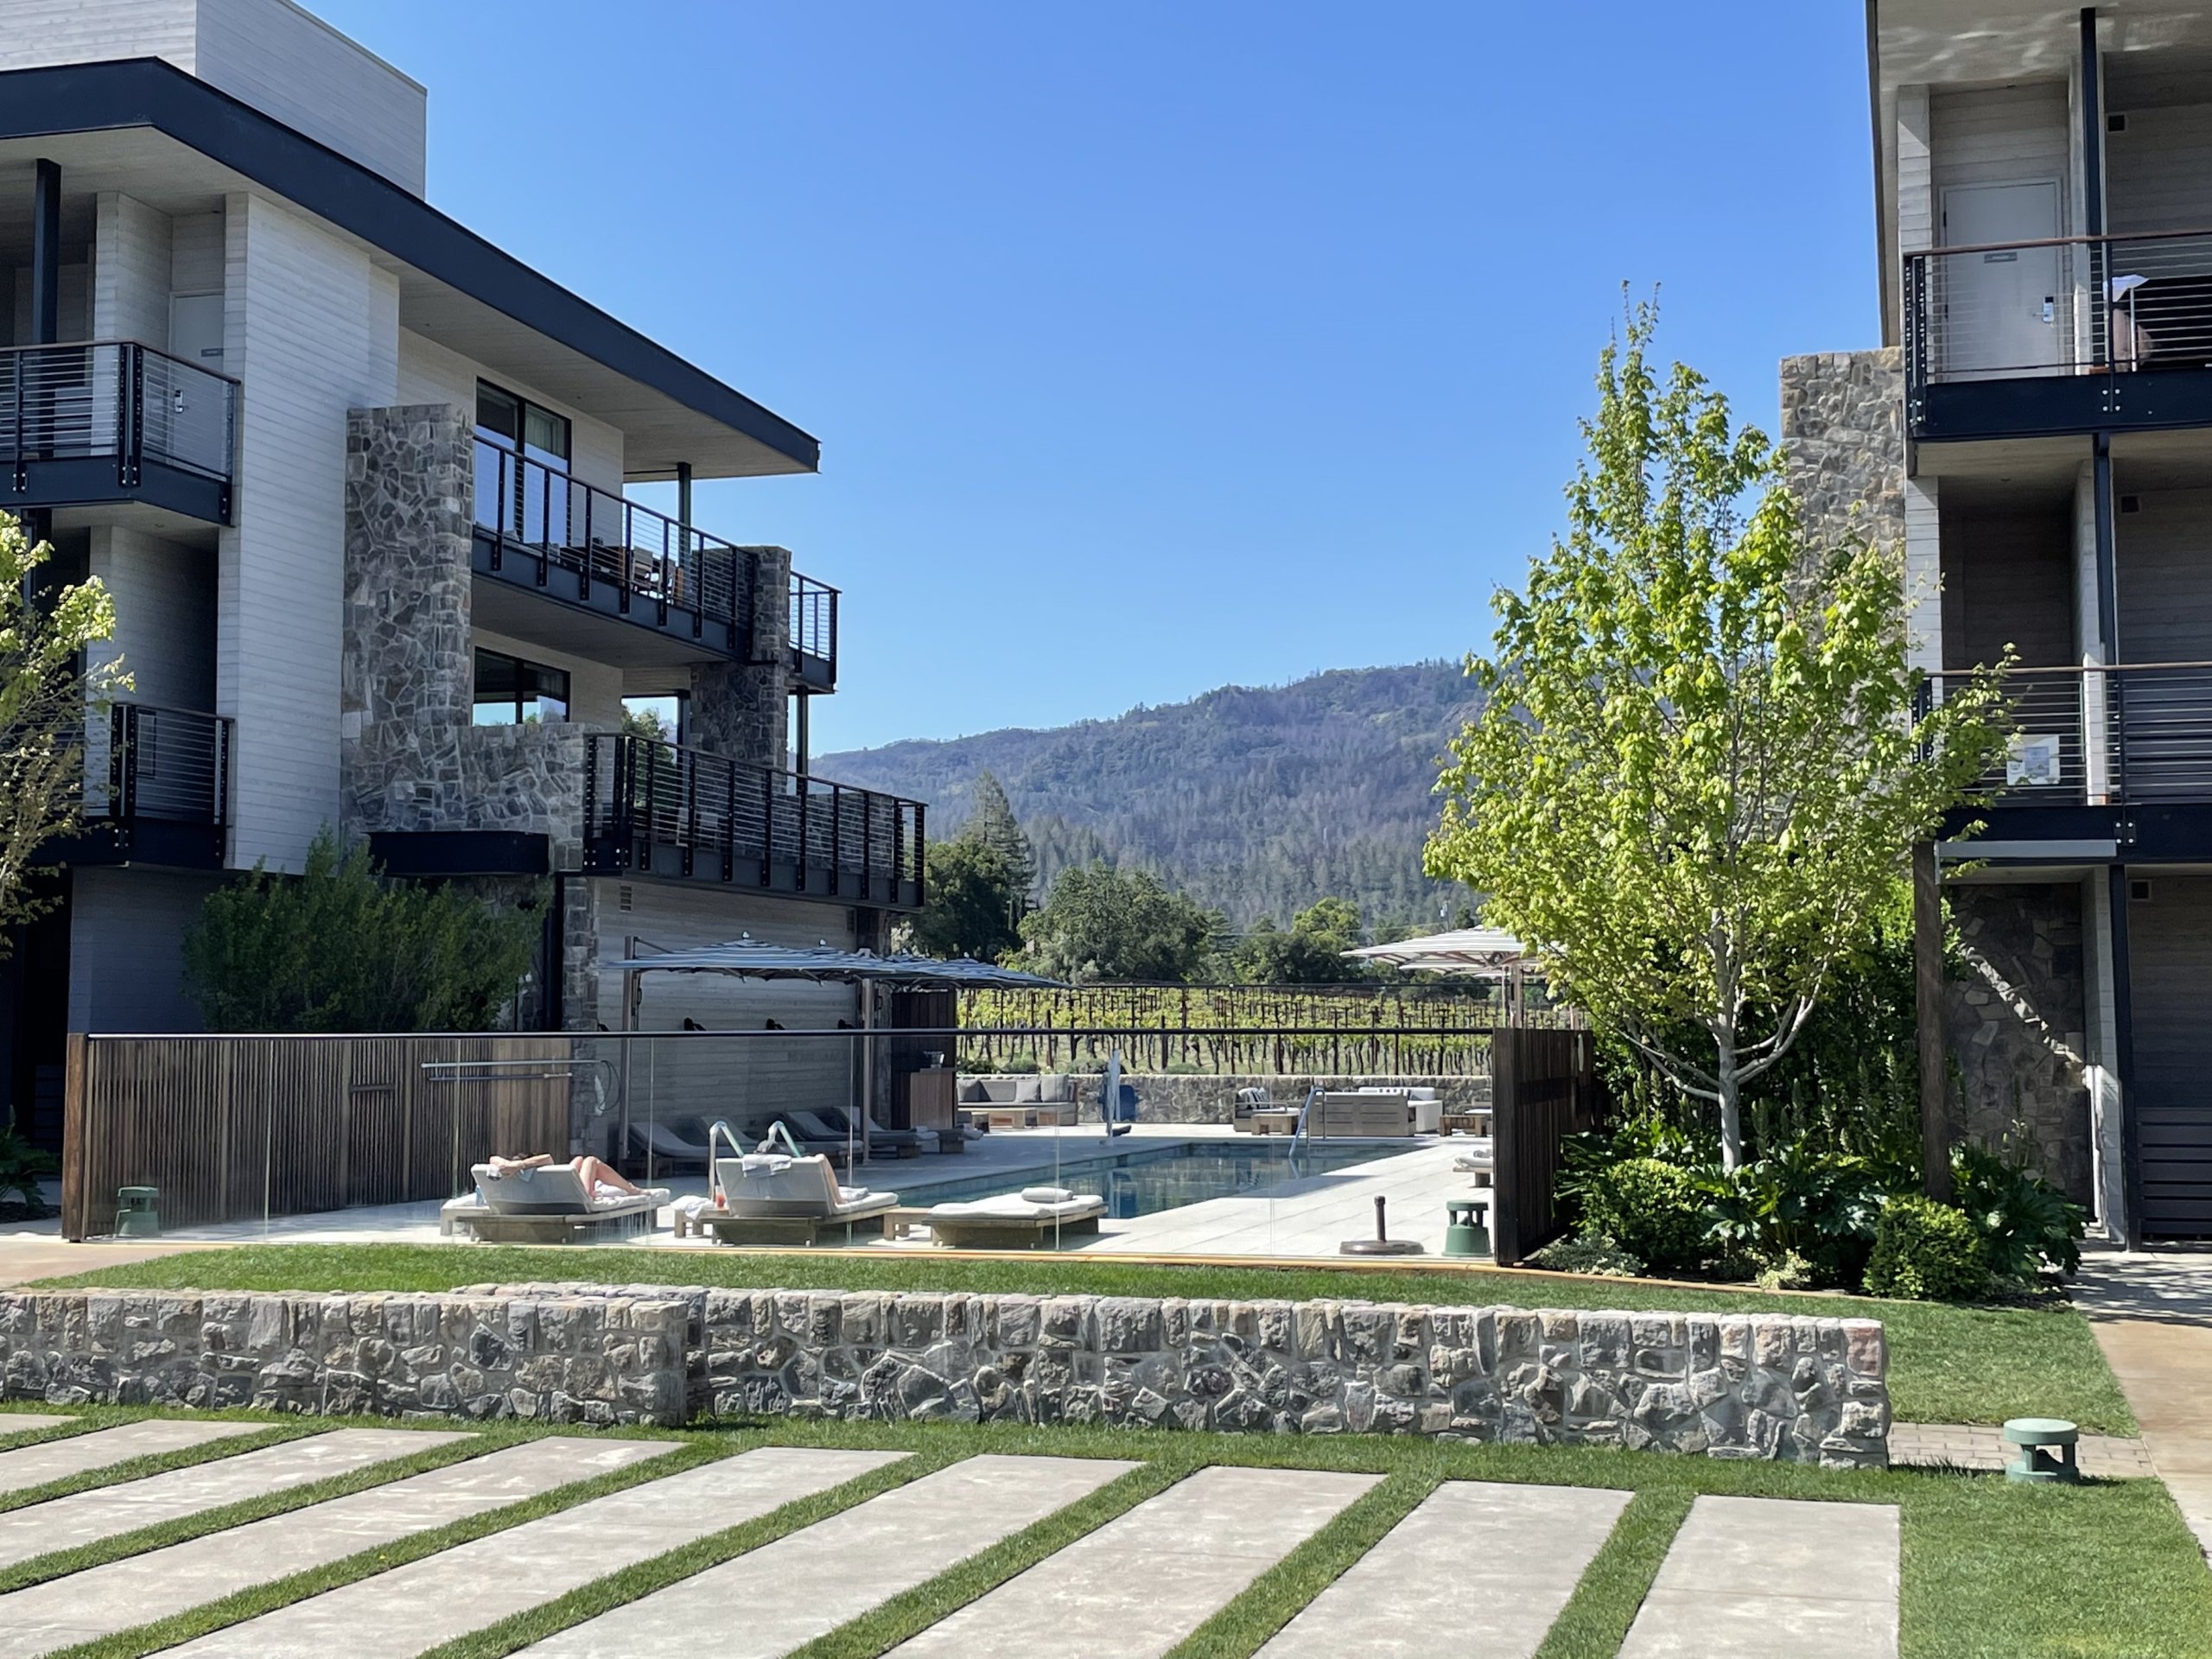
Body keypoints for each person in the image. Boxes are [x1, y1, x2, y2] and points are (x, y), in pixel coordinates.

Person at [486, 1153, 644, 1198]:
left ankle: (631, 1189)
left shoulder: (505, 1172)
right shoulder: (532, 1170)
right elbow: (548, 1158)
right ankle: (631, 1189)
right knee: (591, 1161)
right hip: (575, 1197)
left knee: (579, 1160)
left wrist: (509, 1165)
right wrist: (521, 1165)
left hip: (541, 1198)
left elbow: (493, 1157)